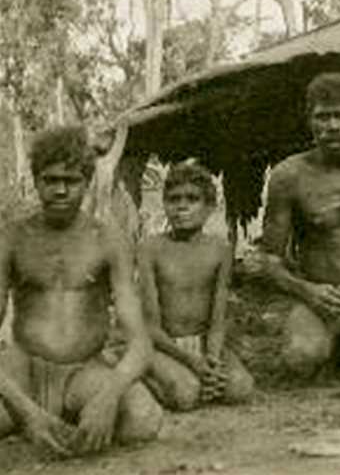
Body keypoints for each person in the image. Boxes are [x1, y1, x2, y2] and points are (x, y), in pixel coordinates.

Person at [0, 126, 162, 457]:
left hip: (82, 371)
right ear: (36, 181)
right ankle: (35, 420)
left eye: (71, 181)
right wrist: (26, 412)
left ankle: (69, 415)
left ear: (87, 183)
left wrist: (110, 395)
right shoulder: (12, 238)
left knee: (143, 420)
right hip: (22, 370)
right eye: (50, 180)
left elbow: (141, 343)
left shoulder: (108, 240)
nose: (60, 190)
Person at [260, 73, 340, 385]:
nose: (332, 126)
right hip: (320, 296)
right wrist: (307, 291)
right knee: (300, 356)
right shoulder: (289, 176)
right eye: (322, 117)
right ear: (309, 122)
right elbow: (269, 261)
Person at [138, 161, 254, 410]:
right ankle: (144, 376)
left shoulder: (220, 249)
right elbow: (150, 326)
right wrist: (191, 361)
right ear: (164, 204)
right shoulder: (150, 248)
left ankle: (193, 376)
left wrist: (211, 359)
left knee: (240, 388)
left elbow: (218, 318)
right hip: (164, 345)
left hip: (204, 344)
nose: (182, 207)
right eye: (173, 199)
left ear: (209, 206)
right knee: (186, 395)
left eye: (192, 199)